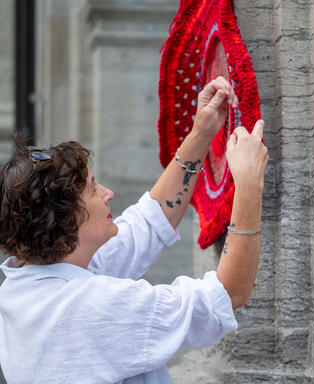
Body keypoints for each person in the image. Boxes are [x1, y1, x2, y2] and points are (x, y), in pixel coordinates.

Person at [0, 76, 269, 384]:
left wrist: (202, 131)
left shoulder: (26, 282)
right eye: (92, 190)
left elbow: (149, 222)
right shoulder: (92, 308)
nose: (108, 192)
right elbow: (227, 294)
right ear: (70, 218)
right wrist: (249, 184)